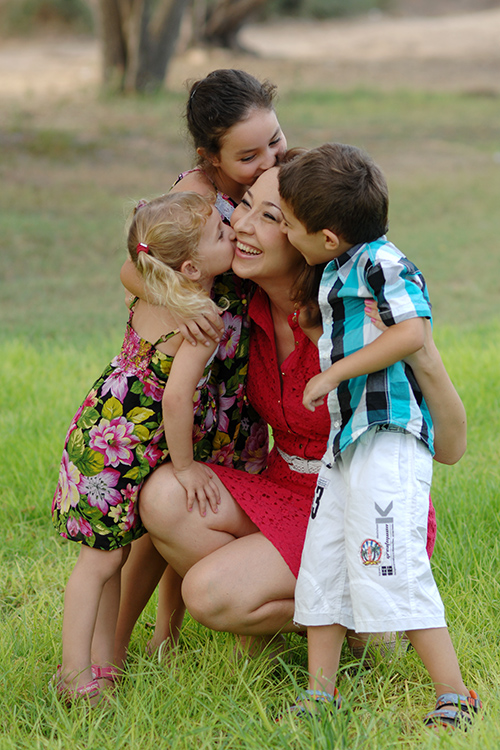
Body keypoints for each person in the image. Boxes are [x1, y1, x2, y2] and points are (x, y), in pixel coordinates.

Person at [137, 164, 467, 668]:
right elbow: (141, 261)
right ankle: (276, 615)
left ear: (309, 238)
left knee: (207, 593)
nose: (241, 225)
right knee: (164, 495)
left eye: (271, 217)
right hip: (281, 484)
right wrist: (177, 302)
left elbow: (451, 449)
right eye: (245, 204)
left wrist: (422, 350)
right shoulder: (238, 299)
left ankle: (367, 614)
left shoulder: (356, 315)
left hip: (354, 501)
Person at [277, 142, 481, 729]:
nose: (285, 233)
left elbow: (413, 333)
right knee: (323, 562)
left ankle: (454, 694)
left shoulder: (382, 262)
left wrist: (332, 373)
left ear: (328, 237)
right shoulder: (338, 268)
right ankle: (321, 695)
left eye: (288, 224)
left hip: (387, 435)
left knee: (389, 562)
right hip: (348, 441)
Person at [115, 68, 288, 661]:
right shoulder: (194, 199)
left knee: (206, 505)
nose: (267, 160)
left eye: (275, 140)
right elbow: (133, 268)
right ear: (209, 157)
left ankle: (175, 632)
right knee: (164, 511)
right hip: (196, 375)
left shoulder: (271, 181)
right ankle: (117, 646)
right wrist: (181, 302)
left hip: (237, 374)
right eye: (248, 156)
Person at [51, 191, 236, 704]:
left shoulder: (156, 291)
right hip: (121, 449)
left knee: (110, 556)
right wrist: (186, 468)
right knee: (98, 564)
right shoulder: (202, 318)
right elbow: (176, 400)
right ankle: (74, 676)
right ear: (191, 266)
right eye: (221, 233)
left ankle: (101, 664)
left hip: (99, 428)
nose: (232, 232)